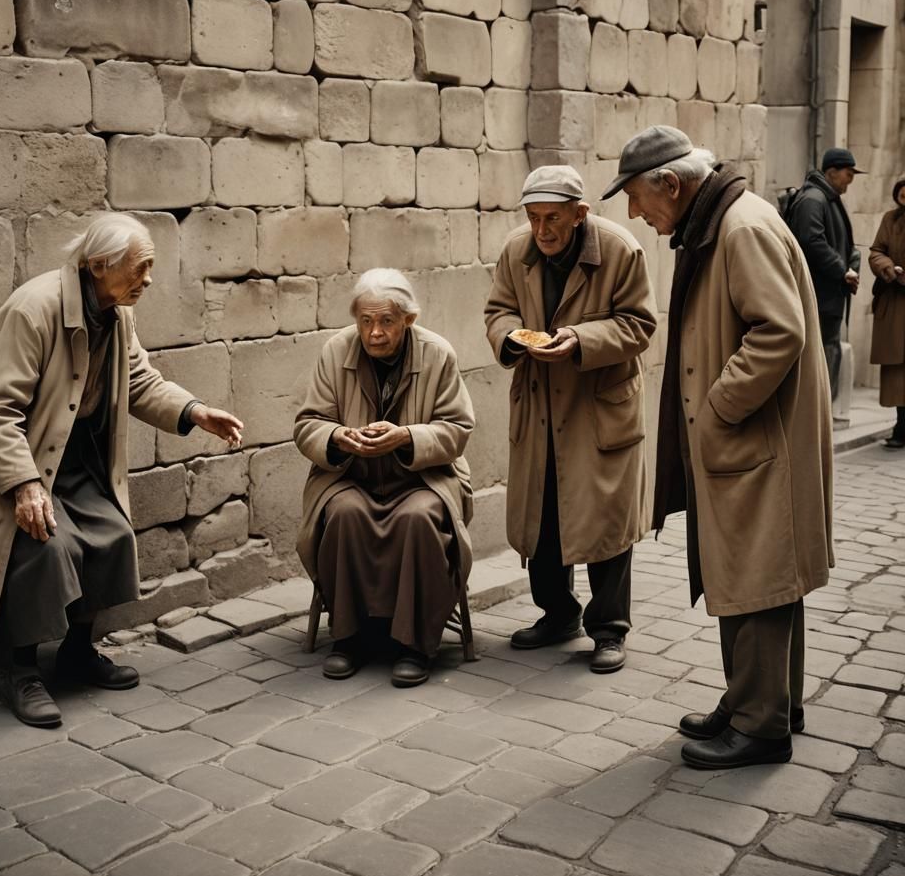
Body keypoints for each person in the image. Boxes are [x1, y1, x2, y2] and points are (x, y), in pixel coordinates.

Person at [0, 215, 245, 728]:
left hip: (72, 456)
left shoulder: (116, 311)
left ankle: (78, 652)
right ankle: (22, 671)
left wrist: (195, 412)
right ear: (99, 265)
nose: (148, 279)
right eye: (140, 268)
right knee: (46, 545)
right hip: (18, 460)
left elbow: (139, 380)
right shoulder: (35, 309)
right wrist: (22, 484)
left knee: (110, 534)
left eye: (149, 268)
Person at [605, 125, 834, 769]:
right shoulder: (727, 219)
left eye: (637, 198)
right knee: (755, 571)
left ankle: (762, 728)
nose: (635, 214)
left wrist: (716, 411)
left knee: (758, 575)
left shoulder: (741, 228)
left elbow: (777, 331)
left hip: (755, 437)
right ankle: (760, 701)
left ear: (671, 185)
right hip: (748, 439)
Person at [484, 165, 657, 674]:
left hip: (599, 404)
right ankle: (557, 614)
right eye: (534, 218)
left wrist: (580, 339)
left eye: (553, 218)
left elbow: (639, 323)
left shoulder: (620, 249)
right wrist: (511, 338)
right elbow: (497, 311)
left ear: (580, 214)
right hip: (539, 404)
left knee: (605, 521)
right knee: (543, 518)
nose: (542, 230)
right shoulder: (517, 250)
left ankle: (608, 631)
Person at [294, 269, 474, 688]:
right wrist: (339, 437)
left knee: (419, 518)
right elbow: (308, 425)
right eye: (366, 322)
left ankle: (415, 645)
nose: (375, 333)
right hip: (350, 476)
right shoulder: (336, 350)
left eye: (387, 322)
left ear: (408, 319)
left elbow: (458, 429)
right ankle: (348, 638)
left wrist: (406, 437)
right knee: (343, 514)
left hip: (424, 479)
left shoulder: (437, 353)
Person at [785, 147, 864, 399]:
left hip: (827, 295)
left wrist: (851, 263)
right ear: (832, 172)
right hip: (819, 295)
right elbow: (812, 241)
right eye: (848, 174)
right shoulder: (814, 199)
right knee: (818, 354)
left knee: (826, 351)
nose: (850, 181)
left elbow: (841, 243)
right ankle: (815, 415)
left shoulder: (825, 198)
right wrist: (842, 270)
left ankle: (821, 413)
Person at [869, 177, 905, 448]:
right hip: (893, 304)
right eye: (901, 195)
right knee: (895, 369)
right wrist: (888, 267)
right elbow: (877, 250)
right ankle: (900, 426)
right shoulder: (890, 220)